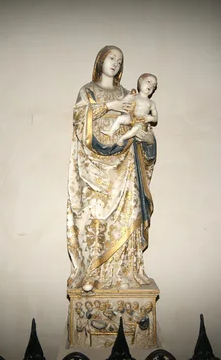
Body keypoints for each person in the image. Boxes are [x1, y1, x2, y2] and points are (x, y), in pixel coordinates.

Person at [66, 45, 157, 292]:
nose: (115, 63)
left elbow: (140, 125)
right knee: (95, 217)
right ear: (100, 61)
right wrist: (112, 106)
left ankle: (127, 272)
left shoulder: (131, 94)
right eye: (111, 57)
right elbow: (79, 120)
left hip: (126, 164)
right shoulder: (88, 91)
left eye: (120, 60)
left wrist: (148, 141)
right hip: (95, 171)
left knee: (129, 214)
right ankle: (93, 274)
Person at [101, 73, 158, 146]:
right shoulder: (134, 96)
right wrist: (127, 98)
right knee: (121, 118)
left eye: (153, 86)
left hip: (141, 121)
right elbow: (123, 103)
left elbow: (155, 118)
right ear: (140, 81)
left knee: (136, 129)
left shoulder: (151, 103)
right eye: (149, 82)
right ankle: (111, 132)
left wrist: (151, 118)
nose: (151, 86)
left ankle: (122, 138)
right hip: (131, 118)